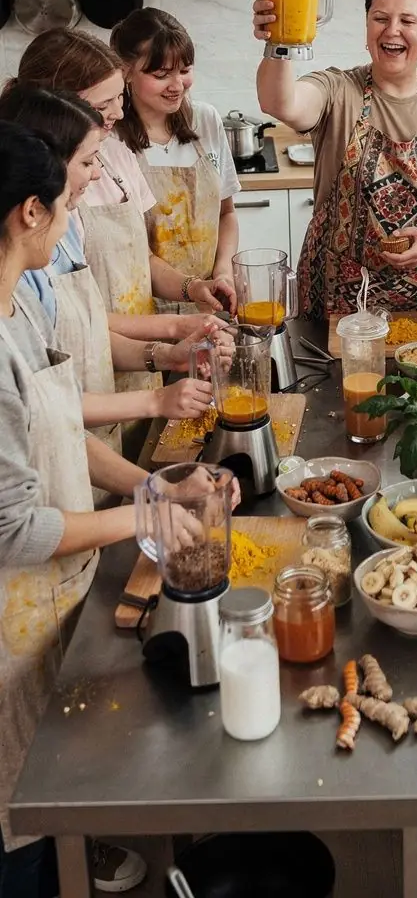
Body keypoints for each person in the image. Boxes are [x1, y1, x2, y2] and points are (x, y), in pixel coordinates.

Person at [0, 120, 164, 896]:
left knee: (44, 788)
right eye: (66, 200)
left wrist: (151, 487)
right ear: (29, 212)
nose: (75, 216)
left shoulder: (17, 311)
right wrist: (148, 518)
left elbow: (62, 423)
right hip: (10, 608)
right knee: (16, 818)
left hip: (45, 595)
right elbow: (15, 527)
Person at [253, 0, 417, 317]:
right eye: (380, 18)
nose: (392, 30)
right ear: (367, 27)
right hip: (337, 305)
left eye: (407, 20)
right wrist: (277, 42)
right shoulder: (337, 90)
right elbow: (280, 103)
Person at [0, 86, 221, 472]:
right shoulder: (21, 282)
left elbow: (64, 403)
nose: (97, 172)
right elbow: (25, 528)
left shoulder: (45, 250)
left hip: (90, 439)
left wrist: (167, 350)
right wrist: (155, 400)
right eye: (87, 162)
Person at [14, 32, 233, 413]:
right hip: (90, 382)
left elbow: (137, 262)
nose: (117, 111)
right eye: (105, 103)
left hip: (127, 366)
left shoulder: (111, 154)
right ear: (58, 107)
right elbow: (70, 331)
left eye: (120, 97)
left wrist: (190, 293)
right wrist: (170, 336)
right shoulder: (37, 221)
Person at [110, 8, 240, 316]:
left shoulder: (205, 120)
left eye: (184, 70)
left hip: (210, 304)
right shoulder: (111, 142)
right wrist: (191, 287)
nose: (177, 85)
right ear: (126, 71)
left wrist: (222, 273)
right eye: (161, 75)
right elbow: (132, 251)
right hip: (144, 312)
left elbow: (227, 213)